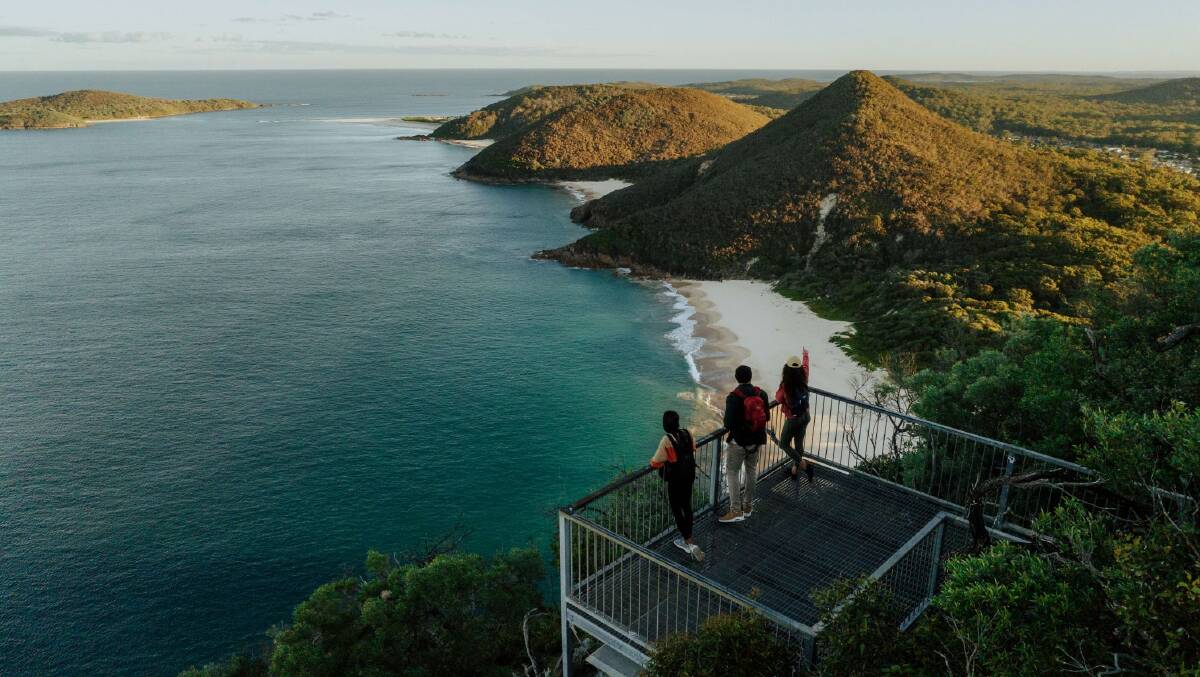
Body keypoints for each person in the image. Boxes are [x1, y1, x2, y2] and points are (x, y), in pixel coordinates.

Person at [650, 410, 705, 561]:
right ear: (677, 422)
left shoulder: (666, 440)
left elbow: (655, 462)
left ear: (665, 425)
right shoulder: (687, 433)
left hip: (676, 480)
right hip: (689, 475)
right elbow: (693, 448)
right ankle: (689, 537)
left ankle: (687, 541)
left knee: (676, 508)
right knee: (686, 505)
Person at [720, 365, 769, 523]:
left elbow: (727, 423)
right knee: (751, 471)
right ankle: (747, 506)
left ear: (736, 378)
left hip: (739, 442)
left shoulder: (733, 397)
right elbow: (766, 417)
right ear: (750, 376)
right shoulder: (761, 394)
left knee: (732, 472)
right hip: (756, 440)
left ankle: (735, 511)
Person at [776, 355, 814, 481]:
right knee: (798, 443)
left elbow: (778, 398)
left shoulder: (786, 385)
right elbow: (806, 367)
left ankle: (803, 465)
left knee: (783, 444)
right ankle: (794, 469)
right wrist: (805, 355)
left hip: (793, 419)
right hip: (805, 416)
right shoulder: (804, 378)